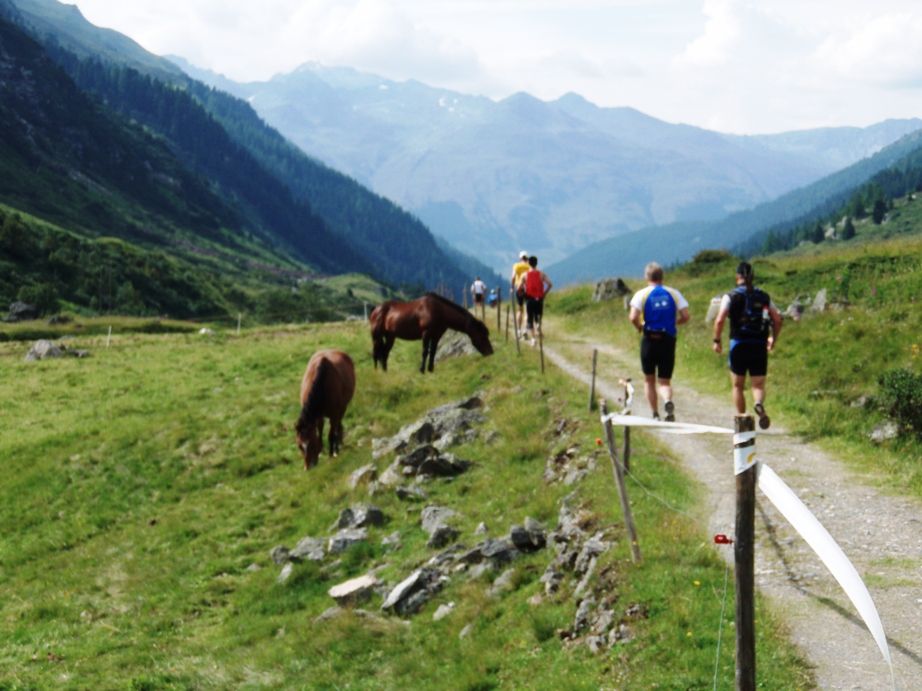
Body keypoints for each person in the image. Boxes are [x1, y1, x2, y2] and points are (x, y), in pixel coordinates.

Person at [712, 262, 782, 429]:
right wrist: (773, 339)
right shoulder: (764, 296)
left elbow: (720, 319)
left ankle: (743, 419)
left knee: (738, 386)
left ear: (737, 277)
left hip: (738, 343)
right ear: (753, 277)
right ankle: (758, 402)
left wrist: (717, 340)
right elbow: (777, 320)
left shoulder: (730, 296)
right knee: (757, 385)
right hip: (759, 344)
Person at [629, 262, 690, 421]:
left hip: (649, 340)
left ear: (647, 277)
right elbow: (686, 316)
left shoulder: (641, 294)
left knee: (649, 380)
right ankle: (668, 401)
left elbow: (633, 317)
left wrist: (639, 327)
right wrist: (673, 322)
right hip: (667, 340)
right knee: (664, 381)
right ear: (662, 276)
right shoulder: (674, 293)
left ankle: (655, 414)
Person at [523, 256, 552, 346]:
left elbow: (519, 287)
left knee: (530, 318)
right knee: (538, 317)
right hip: (539, 299)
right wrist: (544, 293)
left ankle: (533, 338)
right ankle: (538, 327)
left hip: (530, 299)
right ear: (537, 263)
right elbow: (550, 284)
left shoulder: (525, 275)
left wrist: (522, 292)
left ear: (529, 263)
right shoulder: (542, 274)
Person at [510, 251, 531, 335]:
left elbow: (513, 277)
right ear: (527, 258)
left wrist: (512, 287)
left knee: (520, 310)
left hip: (519, 288)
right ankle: (525, 329)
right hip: (528, 288)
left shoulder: (517, 266)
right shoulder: (529, 266)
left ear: (520, 258)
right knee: (527, 310)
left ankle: (518, 330)